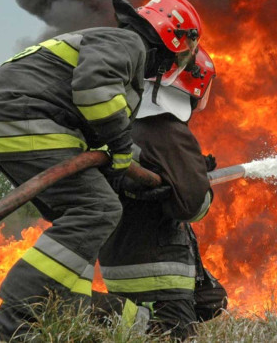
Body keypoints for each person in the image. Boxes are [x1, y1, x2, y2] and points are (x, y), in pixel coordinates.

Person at [0, 0, 204, 341]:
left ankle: (58, 309)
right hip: (25, 116)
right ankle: (12, 322)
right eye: (183, 53)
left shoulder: (116, 48)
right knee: (97, 209)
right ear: (172, 37)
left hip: (8, 120)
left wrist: (135, 170)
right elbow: (94, 92)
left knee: (78, 223)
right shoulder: (128, 43)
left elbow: (97, 131)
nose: (176, 63)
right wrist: (124, 150)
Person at [98, 45, 227, 340]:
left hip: (119, 261)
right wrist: (199, 183)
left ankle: (131, 320)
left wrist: (186, 173)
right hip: (157, 269)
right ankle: (90, 310)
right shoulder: (167, 129)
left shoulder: (125, 124)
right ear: (195, 86)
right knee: (173, 334)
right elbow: (193, 206)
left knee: (212, 300)